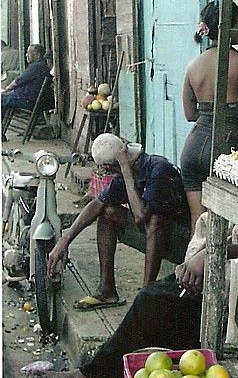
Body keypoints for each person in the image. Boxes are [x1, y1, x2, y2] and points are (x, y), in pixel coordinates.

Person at [29, 73, 238, 378]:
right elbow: (99, 204)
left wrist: (213, 255)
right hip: (214, 258)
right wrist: (64, 240)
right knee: (153, 307)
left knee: (151, 301)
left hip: (237, 269)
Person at [46, 133, 191, 310]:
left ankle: (147, 294)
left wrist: (125, 171)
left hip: (183, 245)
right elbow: (97, 204)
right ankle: (107, 291)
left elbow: (140, 215)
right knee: (108, 212)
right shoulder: (127, 172)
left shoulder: (159, 169)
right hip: (159, 239)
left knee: (155, 219)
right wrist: (64, 242)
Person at [180, 1, 238, 236]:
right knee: (224, 226)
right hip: (224, 149)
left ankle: (192, 270)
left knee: (198, 224)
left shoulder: (193, 66)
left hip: (192, 150)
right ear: (228, 27)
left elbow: (190, 114)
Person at [1, 43, 51, 111]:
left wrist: (6, 89)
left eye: (29, 53)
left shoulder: (36, 67)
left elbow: (18, 81)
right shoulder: (40, 65)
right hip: (27, 97)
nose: (26, 55)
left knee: (2, 98)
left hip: (27, 100)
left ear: (38, 55)